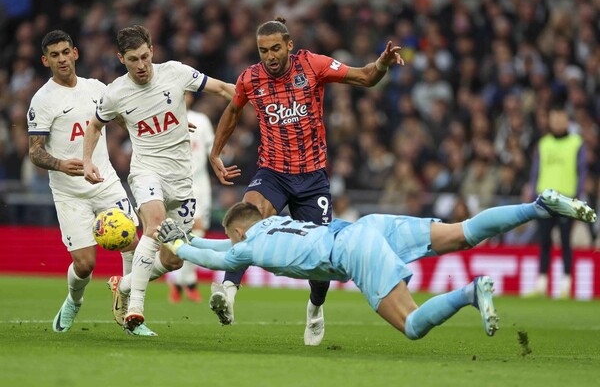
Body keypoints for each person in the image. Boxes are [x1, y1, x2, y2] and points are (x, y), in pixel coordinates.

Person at [155, 189, 596, 343]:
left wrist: (178, 241)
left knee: (412, 327)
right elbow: (219, 244)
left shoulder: (244, 247)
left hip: (353, 251)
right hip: (366, 226)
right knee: (462, 232)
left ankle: (470, 291)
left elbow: (214, 256)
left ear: (237, 233)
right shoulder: (279, 222)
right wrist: (187, 237)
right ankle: (539, 207)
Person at [208, 17, 404, 346]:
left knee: (319, 263)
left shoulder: (313, 65)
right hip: (273, 172)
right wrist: (216, 152)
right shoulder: (250, 79)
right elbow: (232, 111)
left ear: (288, 46)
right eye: (262, 50)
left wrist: (382, 63)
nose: (269, 56)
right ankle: (227, 292)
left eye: (274, 49)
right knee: (248, 216)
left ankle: (315, 308)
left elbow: (366, 77)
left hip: (312, 179)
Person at [82, 25, 236, 332]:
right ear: (121, 59)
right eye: (132, 60)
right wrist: (87, 160)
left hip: (183, 178)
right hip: (146, 170)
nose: (140, 66)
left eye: (144, 57)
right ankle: (135, 307)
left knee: (173, 259)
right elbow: (95, 126)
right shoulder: (115, 92)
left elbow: (223, 89)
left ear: (152, 51)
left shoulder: (176, 73)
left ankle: (125, 285)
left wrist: (255, 98)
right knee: (154, 224)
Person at [27, 30, 154, 336]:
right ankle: (74, 300)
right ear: (46, 60)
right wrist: (60, 164)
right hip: (70, 193)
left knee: (134, 247)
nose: (61, 59)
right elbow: (34, 152)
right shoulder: (42, 100)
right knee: (84, 265)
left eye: (65, 52)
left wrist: (158, 126)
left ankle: (129, 312)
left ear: (76, 53)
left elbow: (123, 118)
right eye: (54, 55)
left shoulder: (97, 88)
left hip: (105, 182)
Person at [528, 105, 587, 298]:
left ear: (566, 121)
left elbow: (581, 171)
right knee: (544, 240)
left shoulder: (576, 142)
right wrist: (533, 194)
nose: (557, 123)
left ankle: (566, 283)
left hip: (566, 199)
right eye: (554, 119)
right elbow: (536, 171)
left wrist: (578, 196)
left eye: (560, 119)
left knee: (565, 241)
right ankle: (542, 283)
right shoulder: (543, 143)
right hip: (545, 199)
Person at [165, 93, 215, 304]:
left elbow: (213, 149)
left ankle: (179, 282)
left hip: (200, 185)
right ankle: (187, 281)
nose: (183, 97)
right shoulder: (165, 119)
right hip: (174, 184)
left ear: (191, 97)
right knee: (178, 233)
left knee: (198, 231)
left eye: (185, 93)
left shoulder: (202, 120)